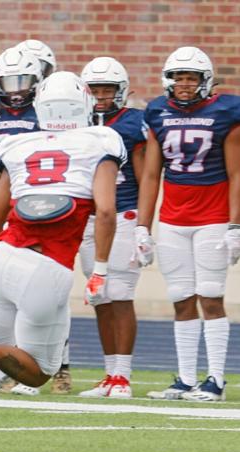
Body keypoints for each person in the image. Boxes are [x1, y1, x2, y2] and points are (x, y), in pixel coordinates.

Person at [0, 72, 123, 452]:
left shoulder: (17, 144)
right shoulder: (101, 142)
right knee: (37, 370)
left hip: (5, 256)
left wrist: (14, 255)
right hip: (48, 267)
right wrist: (101, 269)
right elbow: (108, 212)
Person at [136, 47, 240, 402]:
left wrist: (235, 224)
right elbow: (151, 175)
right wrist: (142, 227)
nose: (183, 84)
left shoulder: (225, 111)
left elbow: (236, 171)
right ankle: (184, 378)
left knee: (210, 296)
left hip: (212, 218)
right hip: (173, 220)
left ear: (205, 81)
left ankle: (215, 380)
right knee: (181, 298)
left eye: (191, 78)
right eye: (178, 77)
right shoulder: (157, 112)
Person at [0, 47, 45, 396]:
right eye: (9, 82)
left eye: (23, 81)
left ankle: (31, 366)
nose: (16, 89)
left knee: (31, 293)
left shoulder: (47, 109)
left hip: (35, 208)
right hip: (0, 211)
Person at [78, 57, 146, 398]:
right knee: (99, 297)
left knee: (120, 294)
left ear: (121, 92)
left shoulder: (133, 123)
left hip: (123, 215)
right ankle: (109, 374)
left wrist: (144, 224)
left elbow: (146, 176)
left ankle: (123, 376)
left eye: (108, 89)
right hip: (89, 218)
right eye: (96, 90)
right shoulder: (77, 123)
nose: (102, 96)